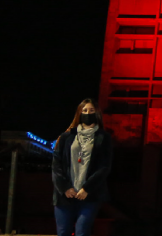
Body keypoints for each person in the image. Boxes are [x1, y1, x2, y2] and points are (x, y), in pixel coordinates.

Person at [52, 99, 113, 236]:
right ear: (79, 113)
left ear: (97, 113)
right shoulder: (66, 136)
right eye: (84, 110)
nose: (87, 113)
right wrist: (65, 187)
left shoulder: (104, 137)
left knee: (83, 231)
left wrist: (87, 188)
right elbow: (56, 164)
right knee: (63, 232)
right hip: (65, 195)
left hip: (89, 195)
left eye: (91, 110)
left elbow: (104, 166)